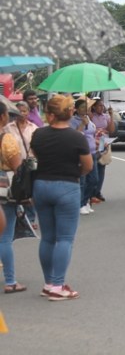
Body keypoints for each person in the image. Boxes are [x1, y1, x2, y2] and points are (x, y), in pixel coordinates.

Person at [31, 95, 93, 300]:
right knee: (65, 239)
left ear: (49, 113)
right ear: (70, 112)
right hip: (67, 186)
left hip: (41, 185)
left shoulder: (38, 134)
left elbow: (37, 157)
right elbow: (88, 166)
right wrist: (75, 173)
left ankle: (48, 283)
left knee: (48, 238)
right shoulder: (77, 137)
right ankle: (58, 286)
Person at [0, 102, 24, 294]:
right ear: (2, 117)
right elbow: (18, 169)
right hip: (3, 193)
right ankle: (10, 281)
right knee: (5, 237)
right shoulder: (6, 139)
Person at [70, 98, 99, 215]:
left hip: (92, 152)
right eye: (82, 107)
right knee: (82, 180)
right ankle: (80, 204)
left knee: (94, 180)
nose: (84, 109)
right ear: (76, 109)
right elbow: (74, 136)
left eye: (86, 107)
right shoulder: (73, 120)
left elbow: (92, 134)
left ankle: (86, 200)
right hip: (82, 154)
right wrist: (82, 124)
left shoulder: (90, 120)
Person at [89, 97, 115, 203]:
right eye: (99, 105)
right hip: (94, 142)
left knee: (102, 167)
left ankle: (97, 191)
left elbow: (112, 130)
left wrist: (111, 116)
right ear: (94, 107)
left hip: (104, 142)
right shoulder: (91, 117)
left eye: (102, 105)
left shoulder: (106, 116)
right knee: (94, 167)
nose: (101, 107)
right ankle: (91, 192)